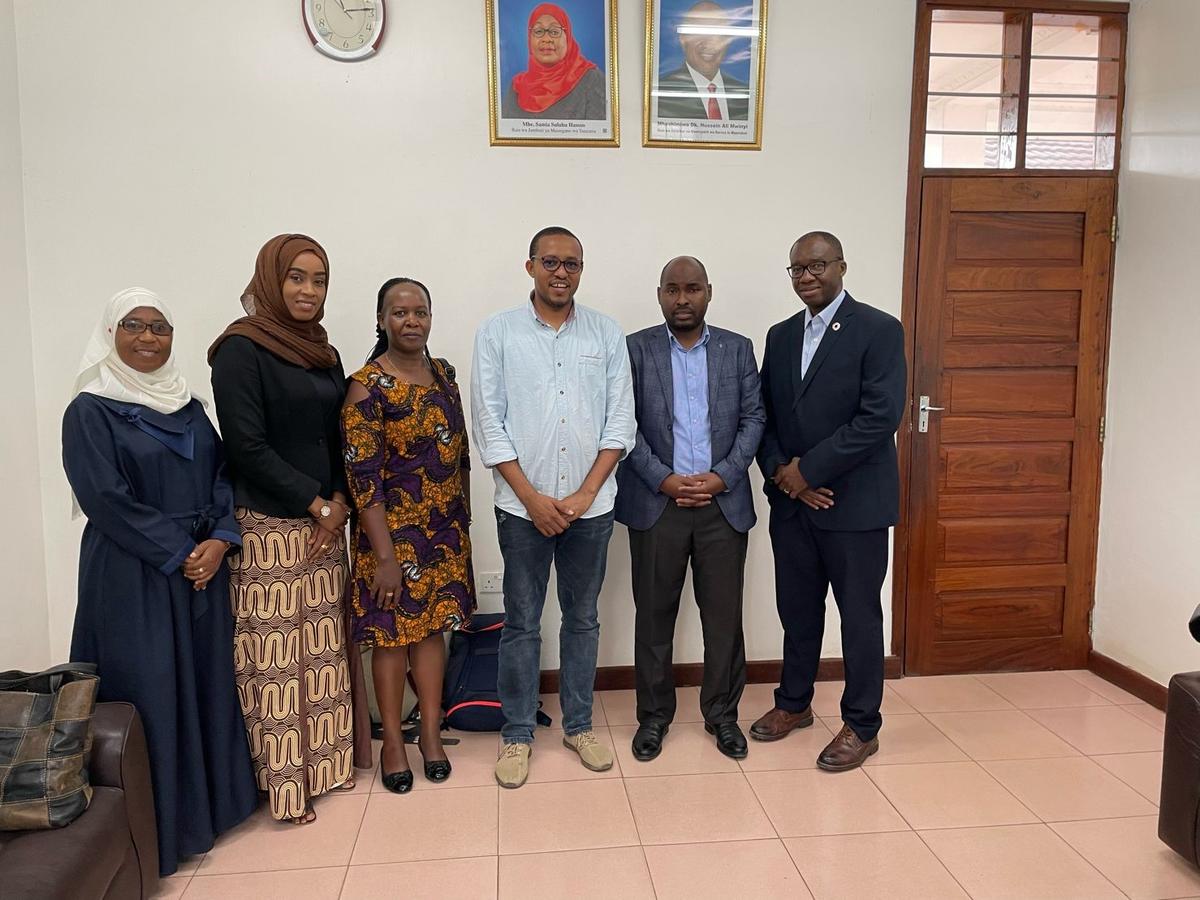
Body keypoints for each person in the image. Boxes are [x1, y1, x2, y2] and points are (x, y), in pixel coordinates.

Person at [64, 287, 257, 875]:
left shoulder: (190, 406)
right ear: (110, 334)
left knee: (203, 682)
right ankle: (160, 828)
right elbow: (105, 499)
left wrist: (221, 539)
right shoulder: (90, 410)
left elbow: (225, 475)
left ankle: (213, 812)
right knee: (150, 694)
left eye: (160, 327)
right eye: (134, 326)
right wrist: (182, 552)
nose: (149, 338)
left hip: (202, 567)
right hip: (135, 576)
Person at [471, 226, 636, 789]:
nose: (561, 272)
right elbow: (489, 424)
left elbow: (621, 422)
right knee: (521, 623)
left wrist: (587, 493)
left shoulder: (606, 334)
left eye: (572, 264)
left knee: (583, 619)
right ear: (530, 267)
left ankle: (580, 725)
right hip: (522, 510)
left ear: (581, 270)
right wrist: (532, 499)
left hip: (592, 508)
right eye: (550, 262)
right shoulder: (498, 332)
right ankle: (517, 735)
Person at [209, 234, 359, 823]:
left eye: (319, 280)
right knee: (274, 661)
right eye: (296, 277)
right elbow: (245, 446)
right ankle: (286, 787)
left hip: (326, 521)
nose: (308, 290)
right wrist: (315, 504)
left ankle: (327, 767)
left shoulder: (322, 350)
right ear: (272, 280)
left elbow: (340, 434)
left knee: (320, 652)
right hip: (271, 525)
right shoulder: (240, 350)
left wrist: (340, 499)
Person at [752, 231, 906, 772]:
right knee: (796, 610)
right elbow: (765, 416)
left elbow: (879, 418)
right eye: (797, 269)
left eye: (817, 265)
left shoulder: (880, 330)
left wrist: (808, 469)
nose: (807, 276)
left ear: (841, 265)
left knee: (858, 617)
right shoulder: (779, 335)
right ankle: (793, 703)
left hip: (854, 505)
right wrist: (785, 476)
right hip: (793, 505)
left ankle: (862, 725)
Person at [615, 256, 765, 762]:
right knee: (653, 619)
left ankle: (722, 716)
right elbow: (622, 426)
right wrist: (665, 479)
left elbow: (753, 418)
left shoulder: (737, 349)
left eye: (693, 289)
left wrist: (723, 476)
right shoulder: (634, 349)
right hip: (658, 504)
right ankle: (653, 718)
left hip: (723, 505)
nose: (683, 299)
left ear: (708, 293)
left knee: (723, 620)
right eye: (673, 290)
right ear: (660, 294)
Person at [341, 277, 476, 794]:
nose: (411, 321)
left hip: (443, 532)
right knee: (391, 640)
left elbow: (458, 457)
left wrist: (464, 527)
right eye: (399, 313)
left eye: (420, 312)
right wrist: (385, 558)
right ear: (381, 320)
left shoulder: (443, 375)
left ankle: (432, 736)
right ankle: (394, 742)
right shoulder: (367, 386)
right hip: (390, 539)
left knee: (432, 632)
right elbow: (363, 479)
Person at [501, 3, 606, 120]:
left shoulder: (591, 80)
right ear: (529, 38)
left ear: (568, 38)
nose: (546, 39)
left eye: (555, 32)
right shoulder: (517, 87)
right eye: (539, 31)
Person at [656, 1, 750, 121]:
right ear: (683, 39)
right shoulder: (661, 96)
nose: (708, 43)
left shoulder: (745, 97)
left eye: (717, 33)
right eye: (699, 32)